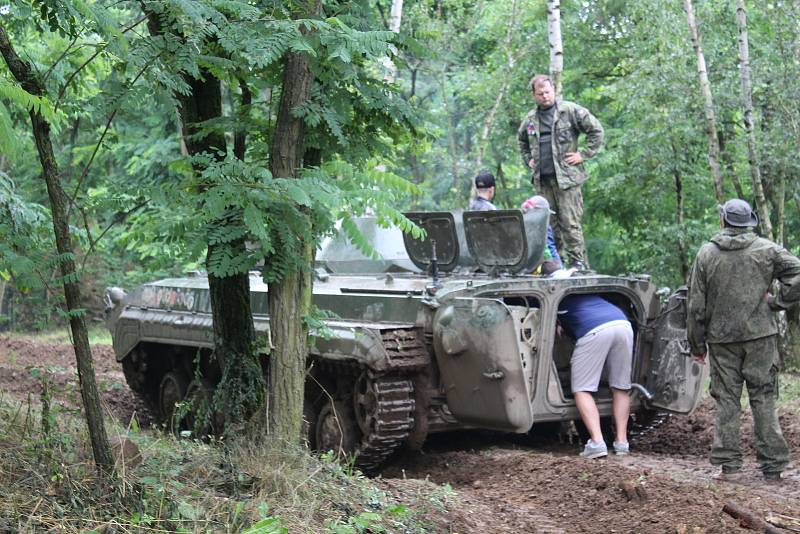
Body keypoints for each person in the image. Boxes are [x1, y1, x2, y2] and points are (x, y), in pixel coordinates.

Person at [687, 199, 800, 483]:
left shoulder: (706, 254)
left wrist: (697, 345)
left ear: (724, 221)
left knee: (727, 400)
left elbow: (695, 306)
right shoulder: (767, 249)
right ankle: (773, 468)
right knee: (764, 397)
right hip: (761, 336)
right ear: (749, 221)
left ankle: (730, 468)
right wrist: (778, 302)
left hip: (722, 340)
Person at [517, 74, 603, 269]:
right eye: (540, 94)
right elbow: (522, 140)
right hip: (543, 181)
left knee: (570, 225)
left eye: (547, 92)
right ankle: (556, 266)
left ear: (553, 90)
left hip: (567, 180)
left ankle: (579, 265)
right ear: (534, 95)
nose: (545, 96)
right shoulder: (531, 119)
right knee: (549, 226)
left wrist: (583, 154)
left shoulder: (570, 111)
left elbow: (596, 131)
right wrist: (528, 159)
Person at [557, 292, 633, 458]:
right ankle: (622, 443)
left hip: (594, 330)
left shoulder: (560, 301)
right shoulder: (589, 296)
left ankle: (597, 442)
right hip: (623, 324)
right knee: (621, 387)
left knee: (582, 389)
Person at [521, 195, 563, 275]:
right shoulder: (543, 225)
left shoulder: (518, 221)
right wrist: (560, 267)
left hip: (520, 269)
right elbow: (550, 248)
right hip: (540, 267)